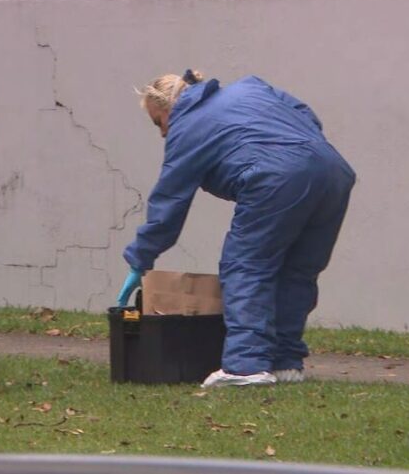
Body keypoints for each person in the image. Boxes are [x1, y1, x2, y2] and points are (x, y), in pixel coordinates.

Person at [119, 70, 355, 388]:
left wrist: (140, 258)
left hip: (276, 176)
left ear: (168, 108)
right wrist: (300, 152)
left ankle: (246, 366)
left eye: (157, 123)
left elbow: (168, 204)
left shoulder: (187, 126)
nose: (162, 134)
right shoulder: (250, 87)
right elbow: (303, 113)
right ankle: (285, 363)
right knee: (296, 271)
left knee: (246, 265)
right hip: (332, 170)